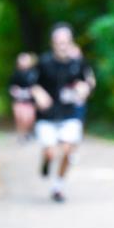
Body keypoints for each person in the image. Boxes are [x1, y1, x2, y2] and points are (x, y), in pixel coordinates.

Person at [29, 23, 94, 202]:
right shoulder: (43, 62)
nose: (63, 45)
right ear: (53, 43)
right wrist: (38, 93)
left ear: (71, 42)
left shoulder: (77, 63)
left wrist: (84, 89)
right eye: (59, 42)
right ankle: (46, 160)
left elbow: (87, 82)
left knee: (67, 149)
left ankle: (58, 186)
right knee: (51, 152)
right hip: (47, 115)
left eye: (66, 42)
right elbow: (31, 83)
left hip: (69, 113)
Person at [9, 53, 37, 142]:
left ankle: (27, 133)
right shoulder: (15, 74)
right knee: (20, 118)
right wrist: (14, 91)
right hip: (18, 100)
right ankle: (21, 135)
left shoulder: (34, 73)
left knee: (29, 118)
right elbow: (11, 87)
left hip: (30, 100)